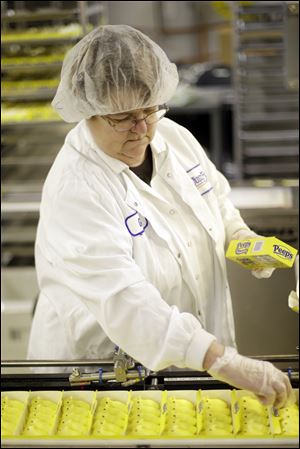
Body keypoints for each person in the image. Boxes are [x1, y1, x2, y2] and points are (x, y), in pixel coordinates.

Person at [27, 25, 292, 408]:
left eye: (149, 108)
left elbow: (215, 197)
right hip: (97, 381)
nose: (142, 130)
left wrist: (238, 234)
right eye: (122, 117)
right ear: (89, 112)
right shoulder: (76, 188)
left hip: (188, 365)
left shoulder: (173, 137)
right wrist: (224, 360)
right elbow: (126, 300)